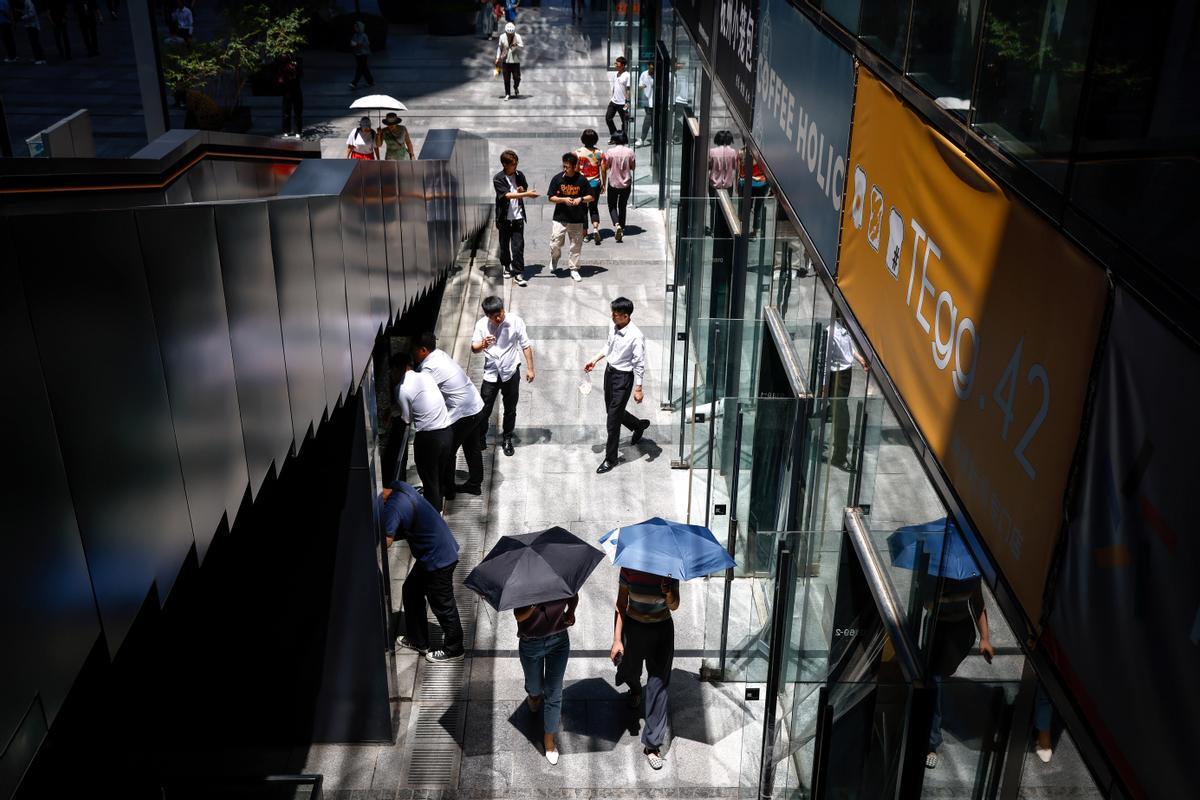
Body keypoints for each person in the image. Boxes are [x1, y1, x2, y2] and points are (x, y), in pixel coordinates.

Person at [381, 481, 465, 663]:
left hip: (438, 560)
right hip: (435, 552)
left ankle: (454, 648)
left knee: (443, 605)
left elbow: (386, 539)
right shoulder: (400, 488)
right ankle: (419, 641)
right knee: (411, 591)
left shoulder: (393, 508)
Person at [610, 566, 679, 770]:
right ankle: (636, 689)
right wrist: (616, 640)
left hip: (661, 629)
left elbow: (674, 606)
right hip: (634, 627)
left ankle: (652, 745)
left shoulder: (669, 569)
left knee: (658, 685)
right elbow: (621, 604)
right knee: (629, 671)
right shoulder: (629, 567)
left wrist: (668, 592)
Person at [924, 574, 994, 769]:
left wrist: (985, 638)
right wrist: (941, 597)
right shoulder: (936, 572)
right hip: (938, 628)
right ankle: (932, 741)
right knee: (934, 682)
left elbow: (978, 604)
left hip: (961, 631)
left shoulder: (971, 575)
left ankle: (931, 731)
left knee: (938, 677)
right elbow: (926, 603)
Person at [414, 332, 486, 498]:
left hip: (464, 413)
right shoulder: (439, 355)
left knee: (448, 451)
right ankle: (475, 484)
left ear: (424, 350)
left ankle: (448, 489)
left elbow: (422, 391)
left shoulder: (429, 368)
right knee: (472, 447)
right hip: (475, 405)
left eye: (414, 350)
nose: (413, 353)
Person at [585, 296, 649, 473]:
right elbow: (609, 346)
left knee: (612, 421)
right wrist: (595, 360)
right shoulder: (612, 325)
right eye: (612, 313)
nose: (612, 316)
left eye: (616, 314)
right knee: (612, 411)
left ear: (626, 316)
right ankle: (638, 425)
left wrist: (638, 388)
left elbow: (639, 363)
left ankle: (610, 459)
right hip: (609, 372)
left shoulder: (636, 336)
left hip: (623, 378)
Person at [514, 595, 578, 765]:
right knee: (535, 688)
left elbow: (573, 596)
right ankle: (533, 696)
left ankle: (549, 739)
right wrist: (534, 602)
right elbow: (518, 615)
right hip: (531, 643)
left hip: (559, 640)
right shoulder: (523, 585)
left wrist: (571, 613)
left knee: (554, 692)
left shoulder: (559, 577)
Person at [392, 351, 454, 513]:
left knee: (429, 480)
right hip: (447, 432)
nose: (392, 375)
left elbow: (406, 418)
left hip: (429, 439)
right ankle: (438, 506)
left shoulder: (401, 388)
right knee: (438, 478)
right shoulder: (426, 376)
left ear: (398, 369)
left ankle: (433, 518)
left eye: (392, 371)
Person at [472, 296, 534, 457]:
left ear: (503, 309)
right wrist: (483, 344)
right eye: (494, 317)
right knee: (484, 409)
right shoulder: (481, 325)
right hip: (491, 373)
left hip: (511, 371)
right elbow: (474, 348)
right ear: (488, 316)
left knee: (510, 409)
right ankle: (480, 437)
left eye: (500, 313)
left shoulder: (515, 321)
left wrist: (530, 369)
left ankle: (507, 438)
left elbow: (525, 345)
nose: (498, 318)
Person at [824, 318, 867, 471]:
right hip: (837, 378)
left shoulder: (845, 328)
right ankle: (839, 458)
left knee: (838, 410)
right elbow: (826, 361)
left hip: (846, 375)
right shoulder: (831, 332)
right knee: (843, 421)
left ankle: (822, 415)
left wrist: (860, 360)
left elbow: (849, 348)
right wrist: (824, 386)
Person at [493, 149, 538, 287]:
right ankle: (506, 265)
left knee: (518, 246)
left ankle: (518, 272)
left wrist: (522, 190)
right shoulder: (498, 178)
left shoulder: (519, 175)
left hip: (518, 217)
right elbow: (507, 195)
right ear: (505, 164)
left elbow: (523, 187)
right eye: (513, 164)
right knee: (504, 245)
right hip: (504, 218)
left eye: (516, 163)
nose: (515, 166)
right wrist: (526, 194)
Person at [546, 151, 593, 282]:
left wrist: (580, 199)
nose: (564, 169)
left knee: (576, 246)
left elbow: (591, 196)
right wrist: (564, 199)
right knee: (555, 243)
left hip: (577, 219)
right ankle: (555, 258)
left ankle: (574, 269)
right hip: (560, 217)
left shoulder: (581, 180)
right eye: (563, 166)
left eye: (567, 166)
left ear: (574, 166)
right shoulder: (557, 179)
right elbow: (551, 197)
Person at [574, 129, 606, 245]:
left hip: (582, 184)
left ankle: (585, 234)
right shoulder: (600, 153)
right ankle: (596, 229)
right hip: (595, 184)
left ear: (583, 139)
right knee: (594, 207)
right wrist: (603, 183)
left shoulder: (577, 152)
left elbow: (576, 170)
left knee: (583, 210)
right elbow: (603, 169)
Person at [605, 132, 635, 242]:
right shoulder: (630, 151)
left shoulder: (610, 152)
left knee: (612, 205)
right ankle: (622, 227)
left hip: (613, 182)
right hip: (626, 183)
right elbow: (633, 167)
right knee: (622, 205)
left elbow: (606, 166)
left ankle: (616, 224)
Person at [707, 130, 737, 233]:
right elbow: (734, 167)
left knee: (713, 207)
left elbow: (709, 166)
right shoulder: (733, 152)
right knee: (727, 207)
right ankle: (725, 229)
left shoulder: (712, 152)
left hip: (714, 184)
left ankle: (713, 229)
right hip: (728, 184)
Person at [277, 51, 303, 138]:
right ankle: (286, 130)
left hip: (296, 90)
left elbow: (300, 74)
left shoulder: (296, 64)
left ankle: (298, 131)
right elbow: (280, 78)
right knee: (286, 112)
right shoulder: (282, 66)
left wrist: (295, 68)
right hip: (287, 91)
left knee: (297, 112)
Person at [605, 56, 631, 144]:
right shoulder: (615, 74)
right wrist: (612, 96)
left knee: (624, 122)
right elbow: (614, 87)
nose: (615, 65)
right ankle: (615, 136)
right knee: (608, 118)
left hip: (622, 103)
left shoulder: (627, 75)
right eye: (615, 63)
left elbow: (628, 89)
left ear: (623, 65)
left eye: (617, 63)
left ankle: (623, 138)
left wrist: (627, 102)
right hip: (614, 101)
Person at [495, 21, 522, 100]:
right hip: (505, 61)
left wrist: (516, 45)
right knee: (506, 78)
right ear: (505, 31)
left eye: (511, 33)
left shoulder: (517, 36)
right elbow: (499, 47)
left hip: (515, 60)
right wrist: (497, 58)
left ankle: (516, 87)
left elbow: (521, 45)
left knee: (517, 77)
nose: (510, 34)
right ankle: (507, 94)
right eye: (508, 33)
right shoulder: (502, 37)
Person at [348, 20, 373, 90]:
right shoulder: (356, 35)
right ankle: (370, 81)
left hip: (363, 54)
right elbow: (353, 43)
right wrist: (355, 44)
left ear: (360, 28)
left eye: (356, 27)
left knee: (360, 68)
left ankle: (354, 82)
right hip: (358, 54)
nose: (355, 28)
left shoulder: (363, 35)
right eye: (355, 27)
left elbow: (361, 43)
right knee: (364, 68)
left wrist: (356, 44)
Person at [636, 63, 654, 146]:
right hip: (647, 101)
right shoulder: (644, 74)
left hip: (656, 102)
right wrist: (642, 86)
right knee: (650, 120)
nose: (652, 71)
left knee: (650, 120)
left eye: (653, 69)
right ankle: (651, 138)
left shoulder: (659, 75)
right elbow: (640, 85)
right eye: (650, 69)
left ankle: (643, 138)